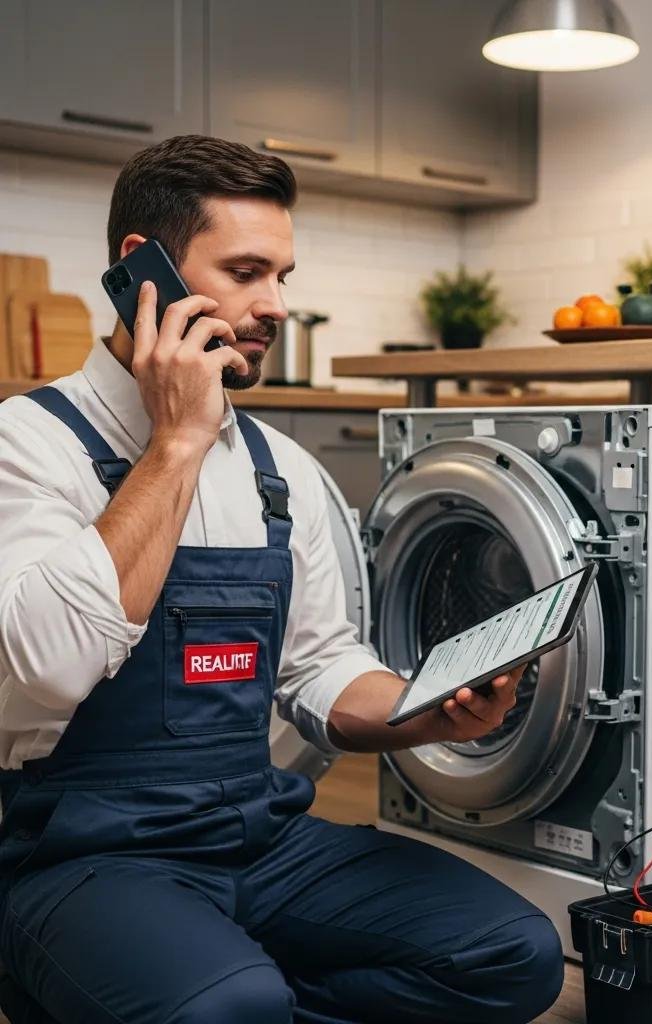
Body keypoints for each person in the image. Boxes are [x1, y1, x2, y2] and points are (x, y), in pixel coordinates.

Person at [0, 135, 563, 1024]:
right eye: (245, 272)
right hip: (81, 856)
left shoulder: (281, 470)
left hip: (258, 834)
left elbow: (319, 665)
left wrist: (424, 709)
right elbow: (50, 667)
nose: (276, 305)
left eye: (282, 276)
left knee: (514, 954)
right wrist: (177, 442)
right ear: (142, 271)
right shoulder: (28, 444)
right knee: (229, 1005)